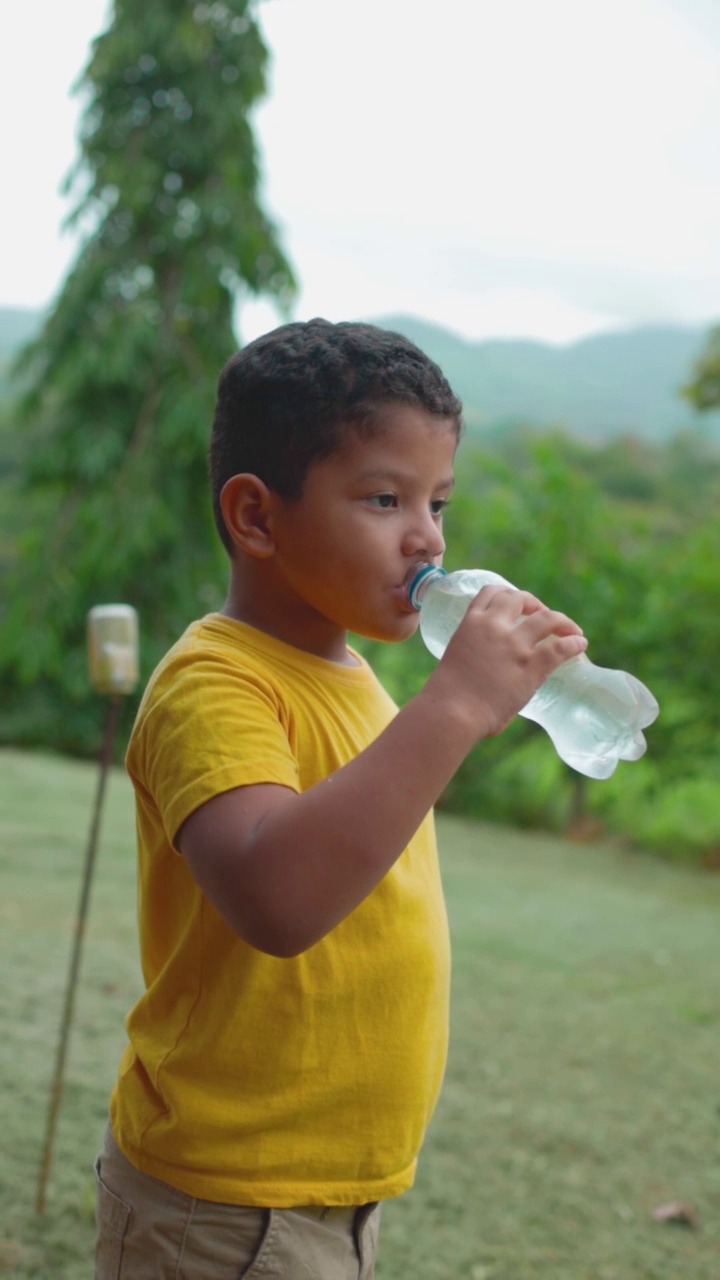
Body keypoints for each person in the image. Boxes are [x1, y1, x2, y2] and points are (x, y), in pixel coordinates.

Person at [93, 319, 587, 1279]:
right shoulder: (214, 683)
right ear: (257, 518)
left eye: (439, 502)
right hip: (220, 1202)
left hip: (329, 1194)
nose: (429, 538)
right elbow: (277, 901)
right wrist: (456, 701)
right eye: (384, 497)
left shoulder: (360, 675)